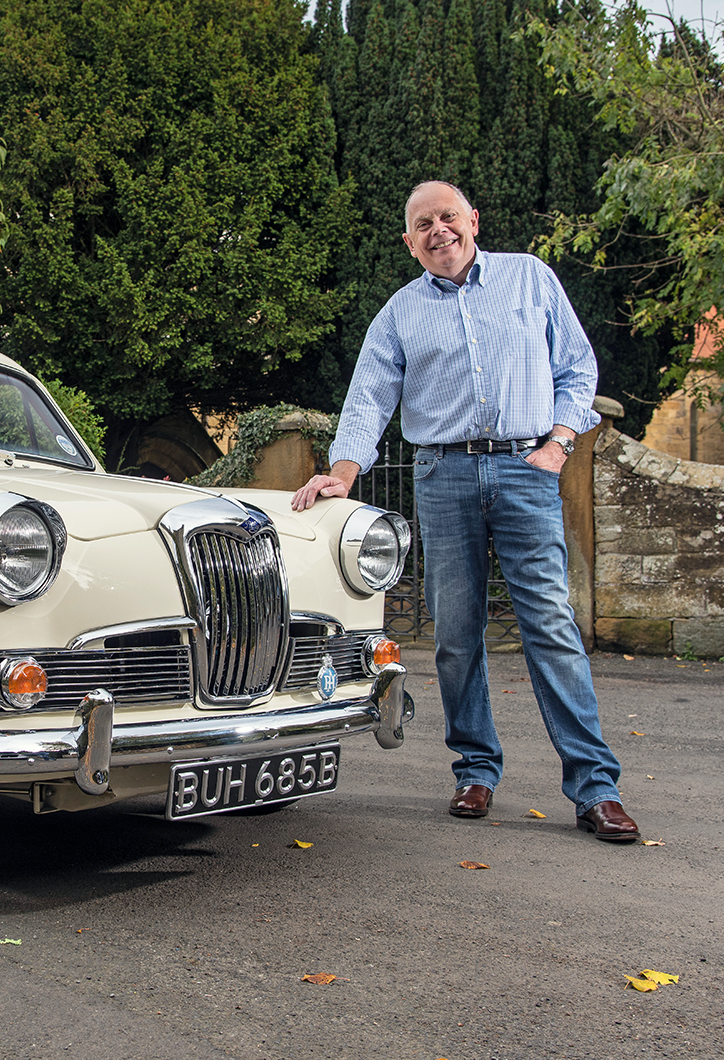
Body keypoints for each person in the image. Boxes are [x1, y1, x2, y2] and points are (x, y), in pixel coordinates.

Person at [291, 180, 638, 843]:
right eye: (422, 224)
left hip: (524, 467)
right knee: (455, 634)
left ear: (473, 220)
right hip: (442, 473)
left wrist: (560, 442)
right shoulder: (400, 312)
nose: (437, 230)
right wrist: (342, 474)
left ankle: (596, 787)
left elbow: (577, 368)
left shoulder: (529, 279)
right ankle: (475, 769)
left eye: (447, 217)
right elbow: (369, 398)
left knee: (550, 626)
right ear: (408, 241)